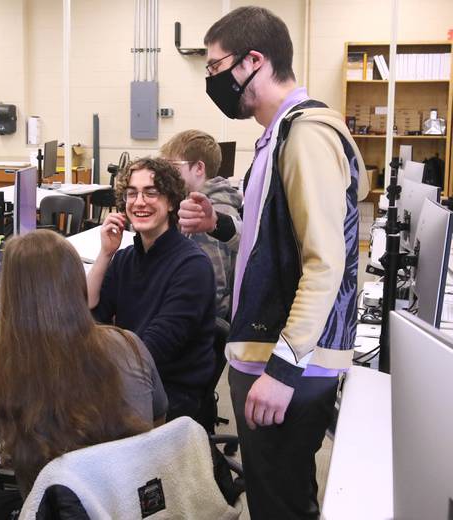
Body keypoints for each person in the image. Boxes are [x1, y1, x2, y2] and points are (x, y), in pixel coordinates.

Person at [179, 7, 368, 518]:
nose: (211, 81)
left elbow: (325, 263)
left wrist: (283, 371)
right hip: (270, 354)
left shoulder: (305, 135)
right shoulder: (278, 135)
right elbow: (274, 246)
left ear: (253, 61)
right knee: (273, 495)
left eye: (215, 68)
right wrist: (219, 227)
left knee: (280, 504)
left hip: (285, 362)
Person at [0, 229, 167, 497]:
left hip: (56, 511)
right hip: (135, 503)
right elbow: (157, 419)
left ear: (11, 298)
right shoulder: (128, 343)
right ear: (78, 285)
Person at [86, 157, 216, 429]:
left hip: (171, 395)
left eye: (151, 193)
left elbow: (155, 348)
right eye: (132, 193)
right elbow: (89, 314)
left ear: (171, 202)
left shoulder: (192, 266)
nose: (139, 202)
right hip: (134, 379)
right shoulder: (124, 259)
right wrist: (105, 254)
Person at [160, 130, 242, 321]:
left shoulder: (209, 213)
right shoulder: (195, 204)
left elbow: (211, 291)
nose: (167, 173)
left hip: (199, 323)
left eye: (173, 166)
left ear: (199, 168)